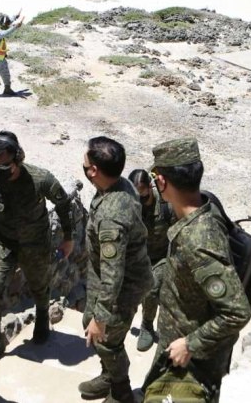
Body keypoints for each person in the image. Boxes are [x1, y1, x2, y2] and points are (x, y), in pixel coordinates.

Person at [143, 138, 251, 403]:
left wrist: (190, 344)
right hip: (176, 348)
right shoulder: (203, 206)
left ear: (162, 182)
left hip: (191, 364)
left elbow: (237, 312)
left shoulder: (199, 240)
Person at [0, 131, 76, 372]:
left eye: (4, 168)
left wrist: (68, 238)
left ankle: (42, 315)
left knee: (38, 284)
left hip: (35, 243)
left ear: (18, 159)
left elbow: (64, 205)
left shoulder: (40, 178)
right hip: (2, 242)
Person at [79, 137, 153, 403]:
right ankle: (108, 375)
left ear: (94, 171)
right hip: (110, 276)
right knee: (90, 323)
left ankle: (121, 390)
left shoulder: (112, 217)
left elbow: (114, 273)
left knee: (107, 339)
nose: (83, 166)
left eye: (86, 163)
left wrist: (102, 316)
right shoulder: (120, 185)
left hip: (125, 283)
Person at [127, 168, 175, 353]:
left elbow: (177, 234)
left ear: (150, 187)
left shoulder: (166, 206)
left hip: (161, 256)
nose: (140, 200)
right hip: (138, 256)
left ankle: (147, 325)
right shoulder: (130, 205)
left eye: (143, 195)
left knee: (152, 287)